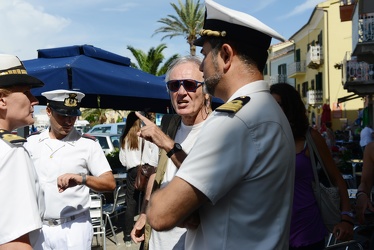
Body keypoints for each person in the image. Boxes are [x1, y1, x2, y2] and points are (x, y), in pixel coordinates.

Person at [144, 1, 295, 249]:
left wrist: (172, 205)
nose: (201, 67)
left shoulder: (236, 120)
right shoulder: (267, 110)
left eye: (204, 54)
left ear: (225, 55)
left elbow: (160, 214)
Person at [131, 55, 212, 250]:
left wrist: (167, 144)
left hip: (194, 240)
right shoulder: (169, 125)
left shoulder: (218, 129)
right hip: (157, 240)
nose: (182, 92)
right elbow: (155, 175)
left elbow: (205, 180)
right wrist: (144, 213)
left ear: (206, 91)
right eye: (175, 86)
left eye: (190, 84)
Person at [24, 89, 116, 250]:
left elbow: (110, 183)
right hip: (39, 228)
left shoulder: (87, 145)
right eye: (63, 115)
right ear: (48, 111)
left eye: (73, 115)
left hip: (74, 228)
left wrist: (82, 178)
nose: (68, 121)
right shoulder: (32, 142)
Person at [270, 83, 353, 249]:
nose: (272, 110)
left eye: (277, 105)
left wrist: (346, 217)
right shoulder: (266, 139)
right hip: (272, 230)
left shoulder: (310, 138)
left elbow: (337, 178)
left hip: (306, 230)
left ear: (289, 107)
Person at [0, 54, 45, 249]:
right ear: (2, 100)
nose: (34, 100)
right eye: (26, 92)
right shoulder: (11, 152)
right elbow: (15, 242)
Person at [120, 111, 159, 247]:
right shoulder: (144, 134)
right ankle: (142, 231)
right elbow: (154, 152)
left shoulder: (125, 137)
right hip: (146, 171)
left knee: (130, 203)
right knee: (145, 201)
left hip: (131, 171)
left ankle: (126, 236)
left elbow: (123, 160)